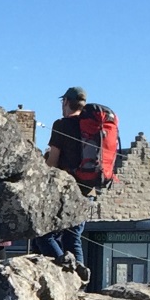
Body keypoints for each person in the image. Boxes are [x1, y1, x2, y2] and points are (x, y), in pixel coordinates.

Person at [38, 87, 94, 279]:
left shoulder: (62, 124)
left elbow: (53, 160)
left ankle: (64, 274)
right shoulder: (93, 126)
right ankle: (80, 279)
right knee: (73, 237)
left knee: (44, 234)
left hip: (67, 191)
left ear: (65, 102)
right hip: (89, 191)